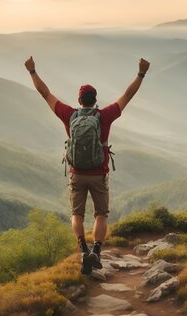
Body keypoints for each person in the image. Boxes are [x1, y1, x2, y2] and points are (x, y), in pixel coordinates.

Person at [25, 56, 150, 275]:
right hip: (99, 174)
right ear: (95, 100)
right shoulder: (104, 116)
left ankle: (83, 249)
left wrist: (32, 71)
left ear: (80, 100)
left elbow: (45, 93)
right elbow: (128, 95)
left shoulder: (68, 115)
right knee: (101, 214)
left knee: (77, 215)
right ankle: (97, 251)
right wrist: (141, 73)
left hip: (76, 174)